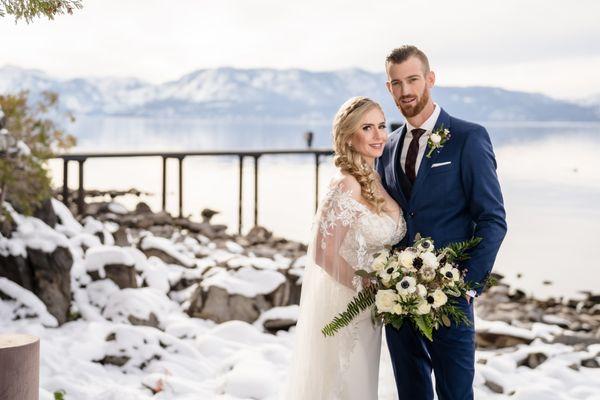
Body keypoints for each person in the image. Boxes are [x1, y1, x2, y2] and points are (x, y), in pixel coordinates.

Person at [376, 45, 507, 400]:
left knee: (455, 395)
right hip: (399, 302)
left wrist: (468, 286)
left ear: (430, 79)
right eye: (396, 83)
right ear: (389, 88)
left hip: (451, 301)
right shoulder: (386, 148)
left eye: (413, 79)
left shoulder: (468, 137)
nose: (406, 91)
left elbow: (492, 219)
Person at [284, 96, 406, 399]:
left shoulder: (376, 177)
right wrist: (371, 287)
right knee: (346, 385)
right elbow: (323, 253)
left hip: (371, 310)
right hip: (348, 307)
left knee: (362, 385)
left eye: (381, 125)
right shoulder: (346, 185)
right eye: (367, 128)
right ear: (349, 137)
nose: (379, 135)